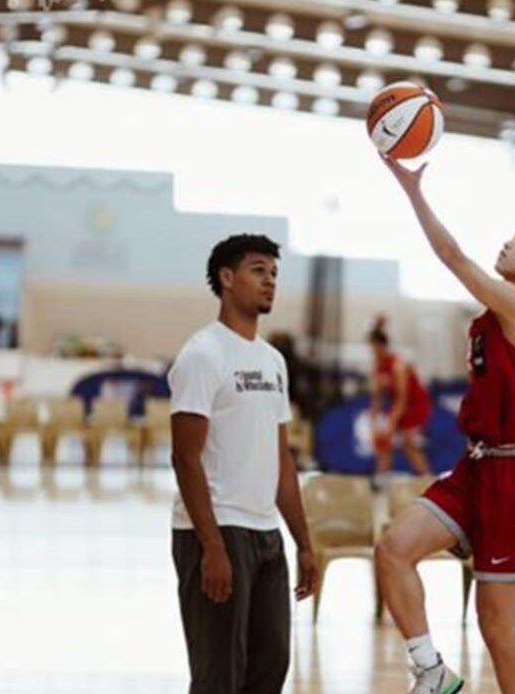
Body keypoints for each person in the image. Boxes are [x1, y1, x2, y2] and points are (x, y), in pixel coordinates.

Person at [374, 155, 515, 694]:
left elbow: (449, 255)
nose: (507, 243)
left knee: (495, 622)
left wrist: (411, 190)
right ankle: (432, 672)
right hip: (474, 468)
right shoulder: (491, 318)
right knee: (393, 549)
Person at [168, 234, 317, 694]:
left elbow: (281, 461)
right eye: (258, 270)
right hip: (216, 532)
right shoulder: (202, 355)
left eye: (274, 273)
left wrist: (304, 543)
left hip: (265, 535)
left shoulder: (273, 361)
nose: (270, 281)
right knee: (218, 679)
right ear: (226, 278)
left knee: (269, 670)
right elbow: (185, 458)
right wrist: (212, 546)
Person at [368, 316, 433, 487]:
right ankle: (380, 479)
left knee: (408, 442)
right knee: (384, 442)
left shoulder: (399, 365)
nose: (374, 352)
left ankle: (427, 480)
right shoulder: (377, 365)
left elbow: (402, 398)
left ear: (382, 346)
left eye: (376, 349)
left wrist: (391, 422)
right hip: (398, 405)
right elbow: (377, 396)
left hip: (415, 404)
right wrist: (373, 420)